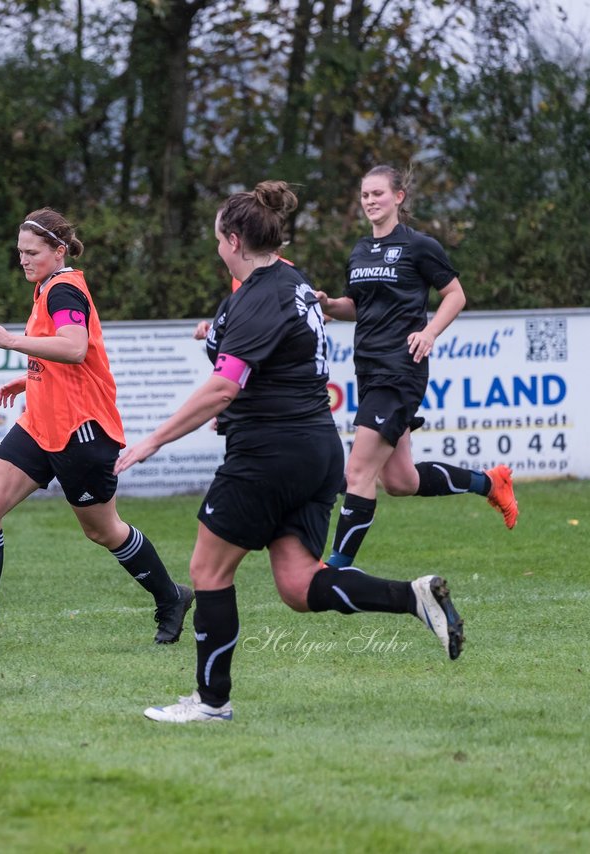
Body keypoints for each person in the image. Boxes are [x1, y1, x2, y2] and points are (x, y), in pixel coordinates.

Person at [115, 181, 464, 725]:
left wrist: (153, 439)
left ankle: (211, 703)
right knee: (299, 585)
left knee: (207, 569)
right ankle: (414, 598)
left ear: (232, 240)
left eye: (217, 239)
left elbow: (225, 386)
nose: (216, 247)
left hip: (268, 453)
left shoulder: (260, 294)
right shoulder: (289, 282)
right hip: (314, 449)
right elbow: (266, 352)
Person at [0, 208, 194, 649]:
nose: (24, 260)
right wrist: (31, 373)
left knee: (103, 530)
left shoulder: (64, 289)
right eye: (20, 252)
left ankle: (171, 597)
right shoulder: (46, 287)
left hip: (81, 431)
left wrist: (12, 342)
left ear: (59, 251)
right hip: (39, 424)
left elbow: (73, 347)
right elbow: (59, 352)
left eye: (32, 252)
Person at [316, 165, 518, 572]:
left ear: (398, 197)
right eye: (365, 195)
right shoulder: (360, 250)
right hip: (369, 370)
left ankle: (336, 570)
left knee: (358, 471)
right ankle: (490, 482)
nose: (370, 201)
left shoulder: (419, 246)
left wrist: (429, 332)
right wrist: (328, 305)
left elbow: (455, 295)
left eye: (378, 194)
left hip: (400, 370)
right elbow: (357, 305)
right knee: (400, 482)